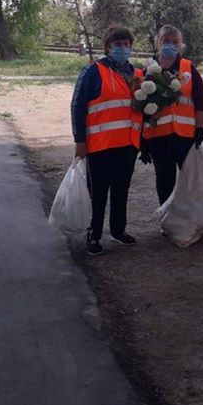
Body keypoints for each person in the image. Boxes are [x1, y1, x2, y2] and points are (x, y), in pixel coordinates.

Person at [70, 25, 143, 257]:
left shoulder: (137, 74)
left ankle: (118, 230)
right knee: (98, 192)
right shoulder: (93, 71)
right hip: (101, 145)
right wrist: (79, 140)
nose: (123, 48)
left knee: (122, 189)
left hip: (128, 144)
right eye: (117, 44)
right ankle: (94, 234)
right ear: (108, 47)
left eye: (126, 44)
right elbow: (77, 106)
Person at [140, 24, 203, 204]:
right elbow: (138, 107)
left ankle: (190, 220)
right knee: (165, 182)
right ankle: (167, 221)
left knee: (189, 183)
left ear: (181, 45)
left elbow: (201, 102)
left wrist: (199, 129)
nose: (170, 44)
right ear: (158, 43)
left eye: (174, 42)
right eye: (165, 41)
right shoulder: (147, 70)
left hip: (185, 136)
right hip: (157, 137)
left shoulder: (188, 68)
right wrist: (141, 140)